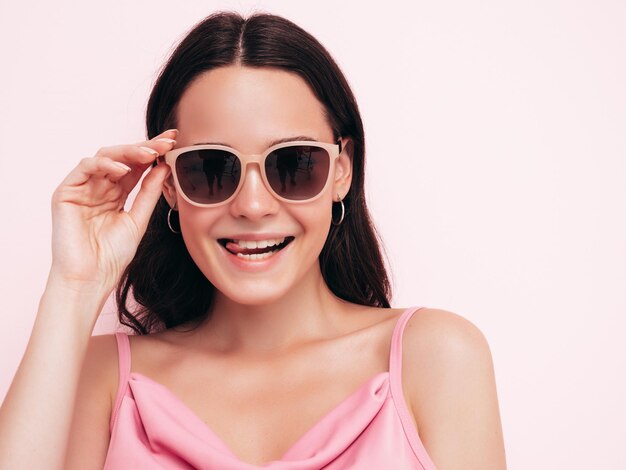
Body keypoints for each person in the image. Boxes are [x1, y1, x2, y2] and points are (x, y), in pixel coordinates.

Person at [0, 12, 506, 469]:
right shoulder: (102, 378)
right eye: (211, 169)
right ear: (170, 187)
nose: (253, 205)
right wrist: (74, 285)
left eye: (294, 164)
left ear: (341, 171)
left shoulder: (437, 357)